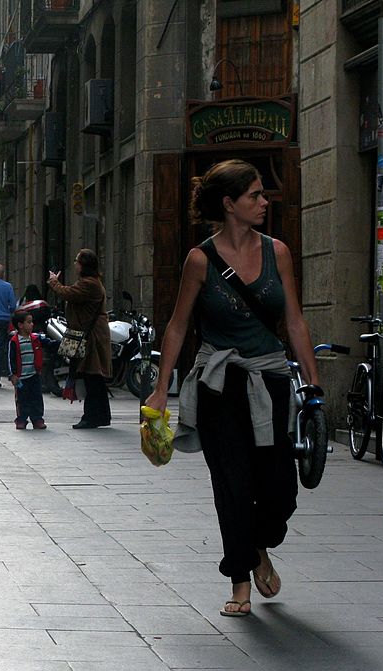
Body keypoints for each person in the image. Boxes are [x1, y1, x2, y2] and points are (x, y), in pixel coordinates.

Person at [144, 159, 318, 619]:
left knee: (281, 488)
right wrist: (163, 389)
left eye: (263, 195)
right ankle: (239, 580)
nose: (264, 202)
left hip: (270, 379)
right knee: (233, 487)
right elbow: (178, 327)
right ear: (229, 204)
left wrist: (313, 385)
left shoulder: (277, 252)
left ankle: (259, 543)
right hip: (219, 386)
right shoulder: (200, 260)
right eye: (255, 196)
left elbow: (295, 321)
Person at [47, 249, 112, 429]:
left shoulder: (90, 284)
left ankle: (92, 416)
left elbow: (68, 293)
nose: (75, 263)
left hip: (92, 336)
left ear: (84, 265)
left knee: (92, 375)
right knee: (92, 377)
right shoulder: (89, 282)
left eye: (77, 261)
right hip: (88, 333)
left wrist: (54, 282)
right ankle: (100, 416)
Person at [8, 310, 57, 430]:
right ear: (20, 325)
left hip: (34, 375)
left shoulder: (36, 338)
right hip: (21, 377)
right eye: (29, 322)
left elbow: (50, 344)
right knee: (21, 399)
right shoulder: (14, 341)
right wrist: (13, 375)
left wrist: (63, 343)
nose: (32, 324)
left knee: (36, 397)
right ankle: (21, 419)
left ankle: (37, 419)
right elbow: (10, 359)